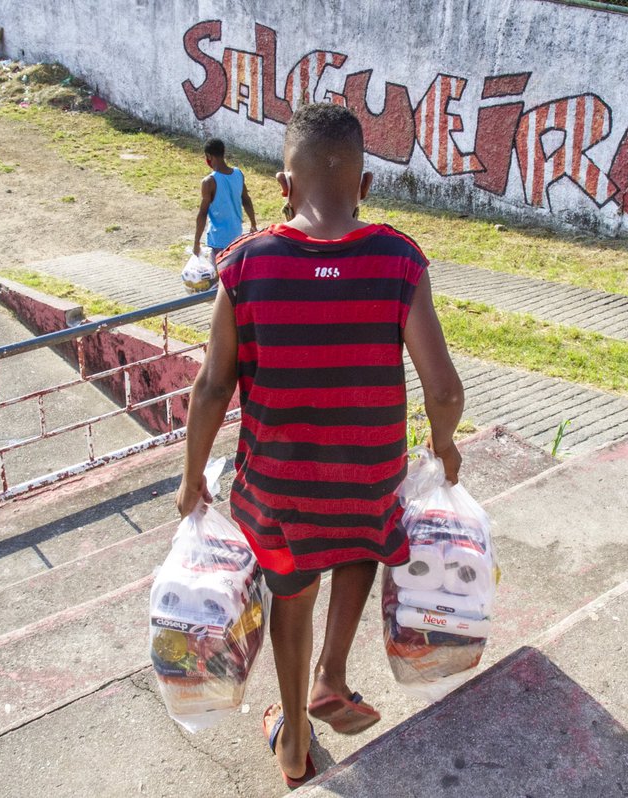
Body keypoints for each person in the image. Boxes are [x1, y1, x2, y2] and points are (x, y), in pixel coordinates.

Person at [175, 103, 464, 789]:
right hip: (367, 479)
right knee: (364, 534)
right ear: (365, 187)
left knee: (293, 586)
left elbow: (213, 387)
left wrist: (191, 477)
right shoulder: (399, 259)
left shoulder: (244, 267)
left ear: (282, 186)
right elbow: (444, 388)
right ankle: (332, 673)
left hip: (280, 489)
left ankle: (294, 740)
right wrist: (445, 447)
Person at [193, 138, 257, 263]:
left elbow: (202, 213)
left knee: (217, 278)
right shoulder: (238, 174)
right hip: (237, 237)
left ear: (209, 156)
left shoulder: (209, 182)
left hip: (218, 240)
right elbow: (246, 200)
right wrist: (253, 224)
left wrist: (196, 243)